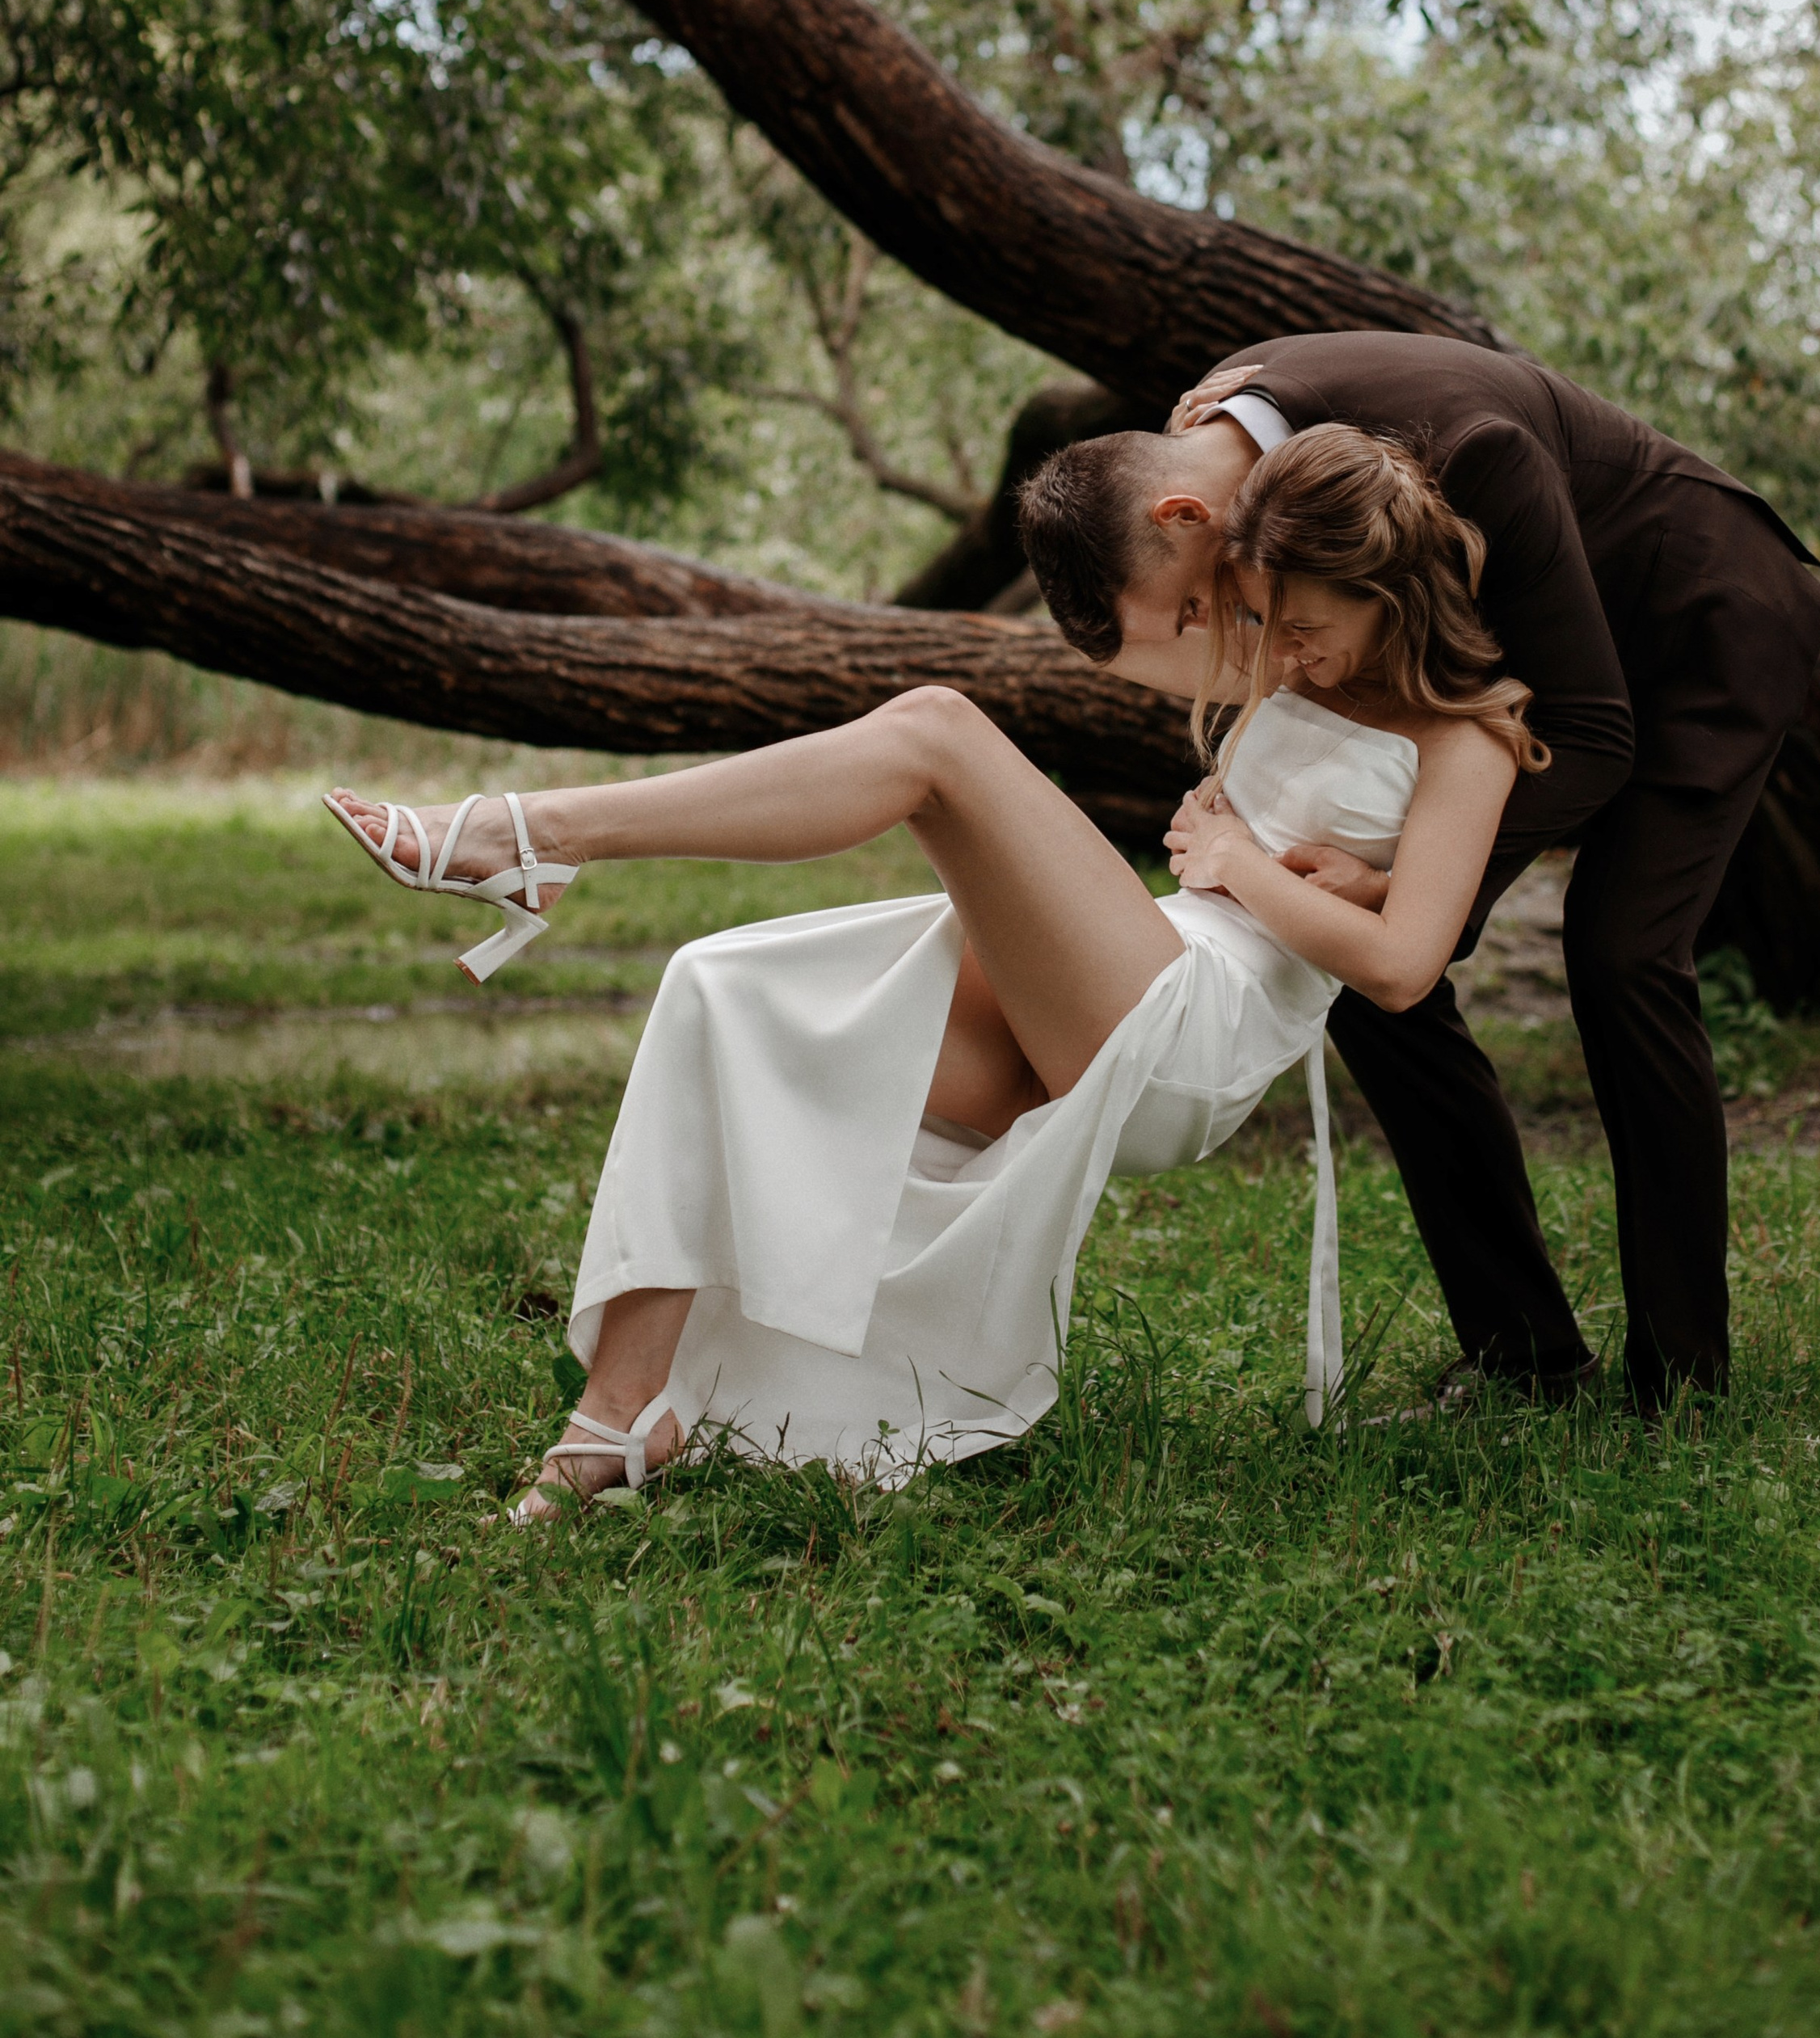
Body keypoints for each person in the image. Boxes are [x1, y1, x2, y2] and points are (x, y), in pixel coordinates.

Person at [323, 428, 1542, 1513]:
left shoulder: (1470, 737)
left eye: (1307, 628)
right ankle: (619, 1420)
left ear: (1391, 594)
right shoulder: (1300, 649)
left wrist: (1248, 862)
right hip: (1150, 951)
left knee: (939, 731)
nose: (1276, 653)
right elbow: (1313, 828)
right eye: (1266, 621)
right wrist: (1262, 836)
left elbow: (1400, 968)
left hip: (1191, 1041)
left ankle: (535, 836)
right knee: (726, 988)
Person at [1016, 331, 1820, 1412]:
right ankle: (1524, 1357)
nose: (1212, 631)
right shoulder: (1223, 441)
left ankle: (1682, 1377)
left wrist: (1404, 881)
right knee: (1357, 964)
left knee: (1622, 952)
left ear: (1184, 516)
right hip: (1530, 656)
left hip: (1698, 626)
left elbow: (1593, 733)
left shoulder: (1471, 451)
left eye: (1185, 611)